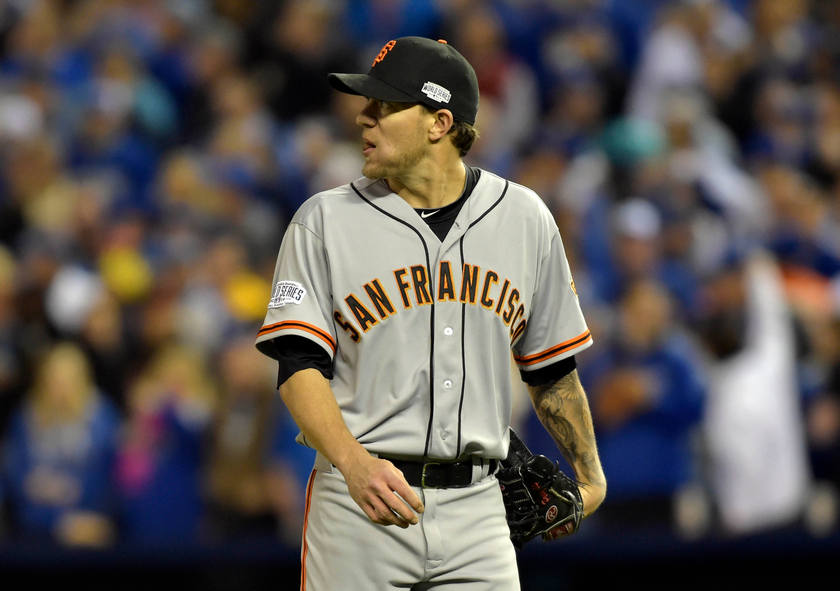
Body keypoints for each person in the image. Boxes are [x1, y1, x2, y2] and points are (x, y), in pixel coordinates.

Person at [254, 36, 606, 590]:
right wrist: (352, 463)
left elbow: (550, 368)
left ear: (440, 123)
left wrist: (590, 479)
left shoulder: (524, 218)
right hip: (358, 504)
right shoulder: (322, 220)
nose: (362, 118)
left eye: (384, 106)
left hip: (480, 509)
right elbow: (297, 367)